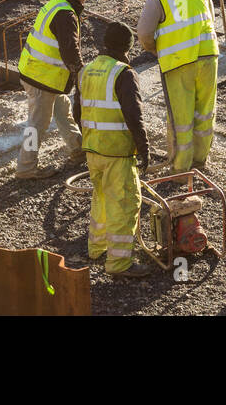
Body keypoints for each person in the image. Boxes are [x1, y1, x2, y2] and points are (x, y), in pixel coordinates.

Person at [72, 21, 152, 277]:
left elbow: (77, 111)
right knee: (125, 205)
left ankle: (97, 248)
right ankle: (119, 264)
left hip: (93, 150)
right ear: (128, 47)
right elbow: (134, 116)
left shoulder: (86, 71)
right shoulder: (124, 73)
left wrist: (92, 137)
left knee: (101, 198)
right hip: (117, 153)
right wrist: (144, 148)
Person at [137, 0, 219, 173]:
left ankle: (181, 169)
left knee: (181, 118)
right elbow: (210, 18)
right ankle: (200, 162)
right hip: (209, 56)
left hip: (177, 63)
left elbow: (144, 33)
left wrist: (155, 49)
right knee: (204, 111)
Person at [16, 0, 90, 179]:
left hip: (42, 74)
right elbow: (70, 51)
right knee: (36, 125)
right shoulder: (65, 14)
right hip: (42, 78)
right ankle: (26, 167)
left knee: (62, 109)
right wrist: (82, 73)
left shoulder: (57, 2)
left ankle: (77, 149)